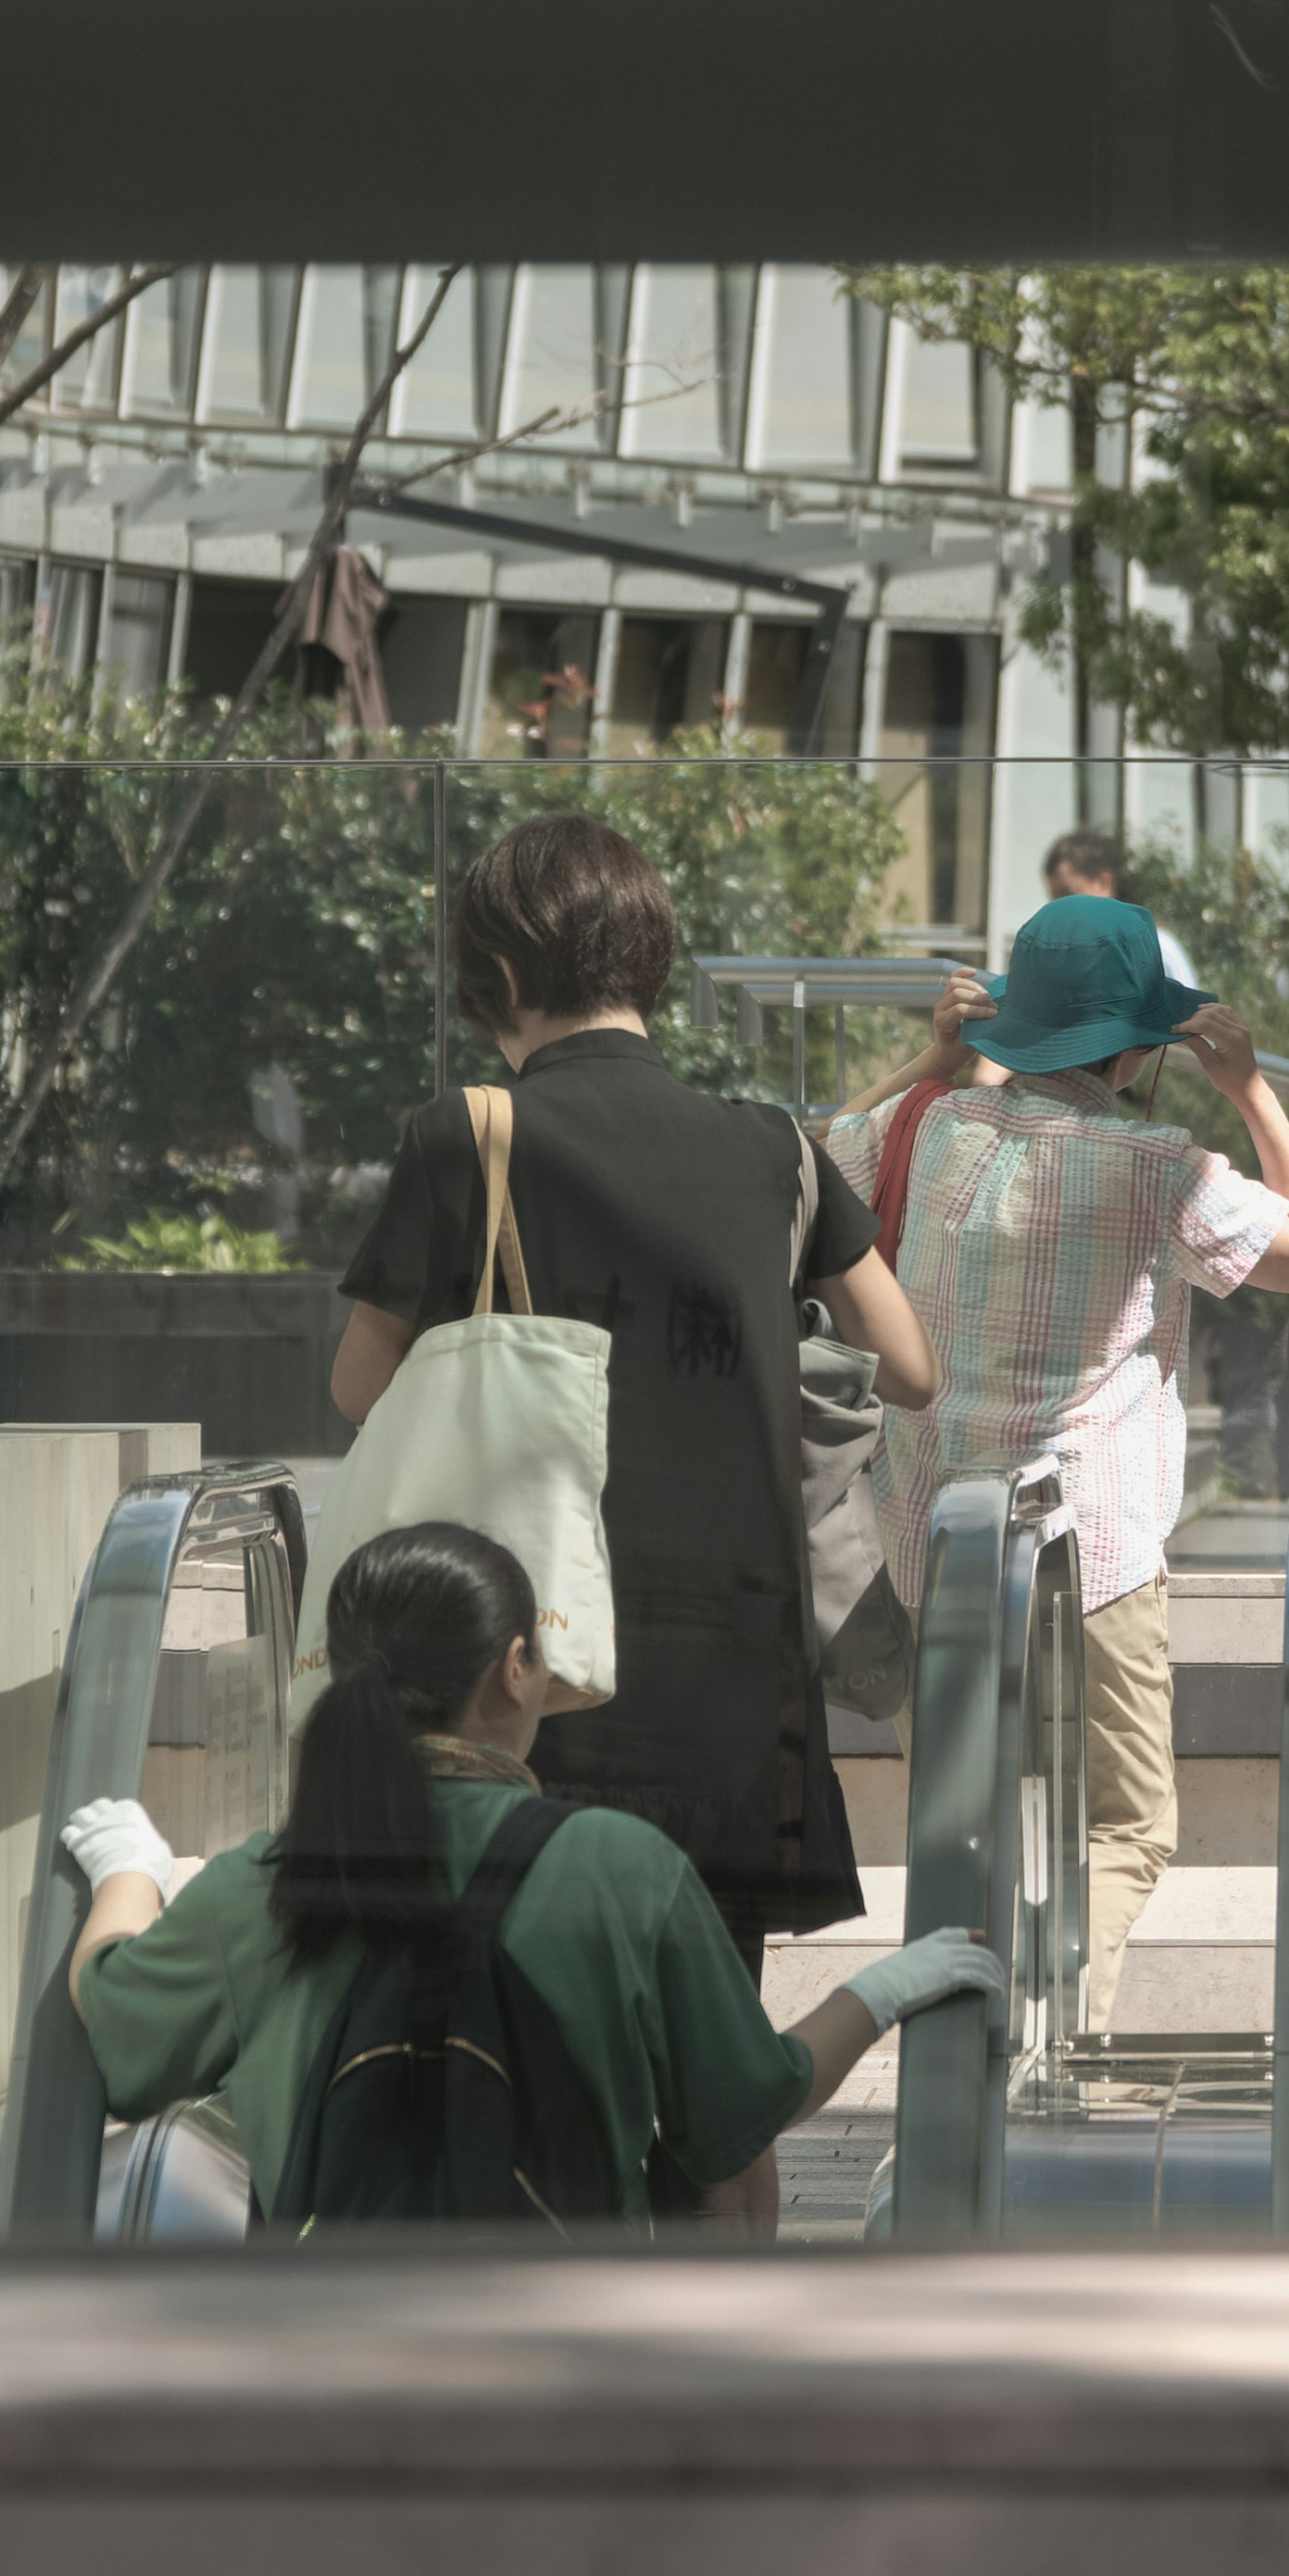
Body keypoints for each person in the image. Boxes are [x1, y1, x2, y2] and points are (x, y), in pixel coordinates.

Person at [328, 813, 937, 2205]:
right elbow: (908, 1369)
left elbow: (365, 1387)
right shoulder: (777, 1150)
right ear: (651, 965)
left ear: (493, 975)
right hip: (733, 1689)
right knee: (720, 2093)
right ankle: (728, 2387)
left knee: (533, 2065)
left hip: (527, 1680)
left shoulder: (464, 1140)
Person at [61, 1522, 1002, 2236]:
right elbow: (744, 2109)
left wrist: (127, 1873)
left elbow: (115, 2022)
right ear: (515, 1671)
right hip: (571, 2371)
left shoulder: (260, 1887)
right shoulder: (617, 1865)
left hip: (329, 2381)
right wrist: (883, 1990)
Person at [823, 894, 1289, 2031]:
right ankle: (1046, 2023)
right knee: (1125, 1825)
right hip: (1093, 1546)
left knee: (961, 1831)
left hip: (930, 1544)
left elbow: (805, 1174)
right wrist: (1251, 1089)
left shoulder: (926, 1124)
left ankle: (968, 2064)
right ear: (1132, 1045)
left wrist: (931, 1058)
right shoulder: (1161, 1164)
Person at [1042, 827, 1202, 989]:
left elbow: (1191, 1011)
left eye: (1068, 894)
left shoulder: (1157, 949)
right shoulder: (1059, 960)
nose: (1060, 909)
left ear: (1104, 884)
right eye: (1055, 899)